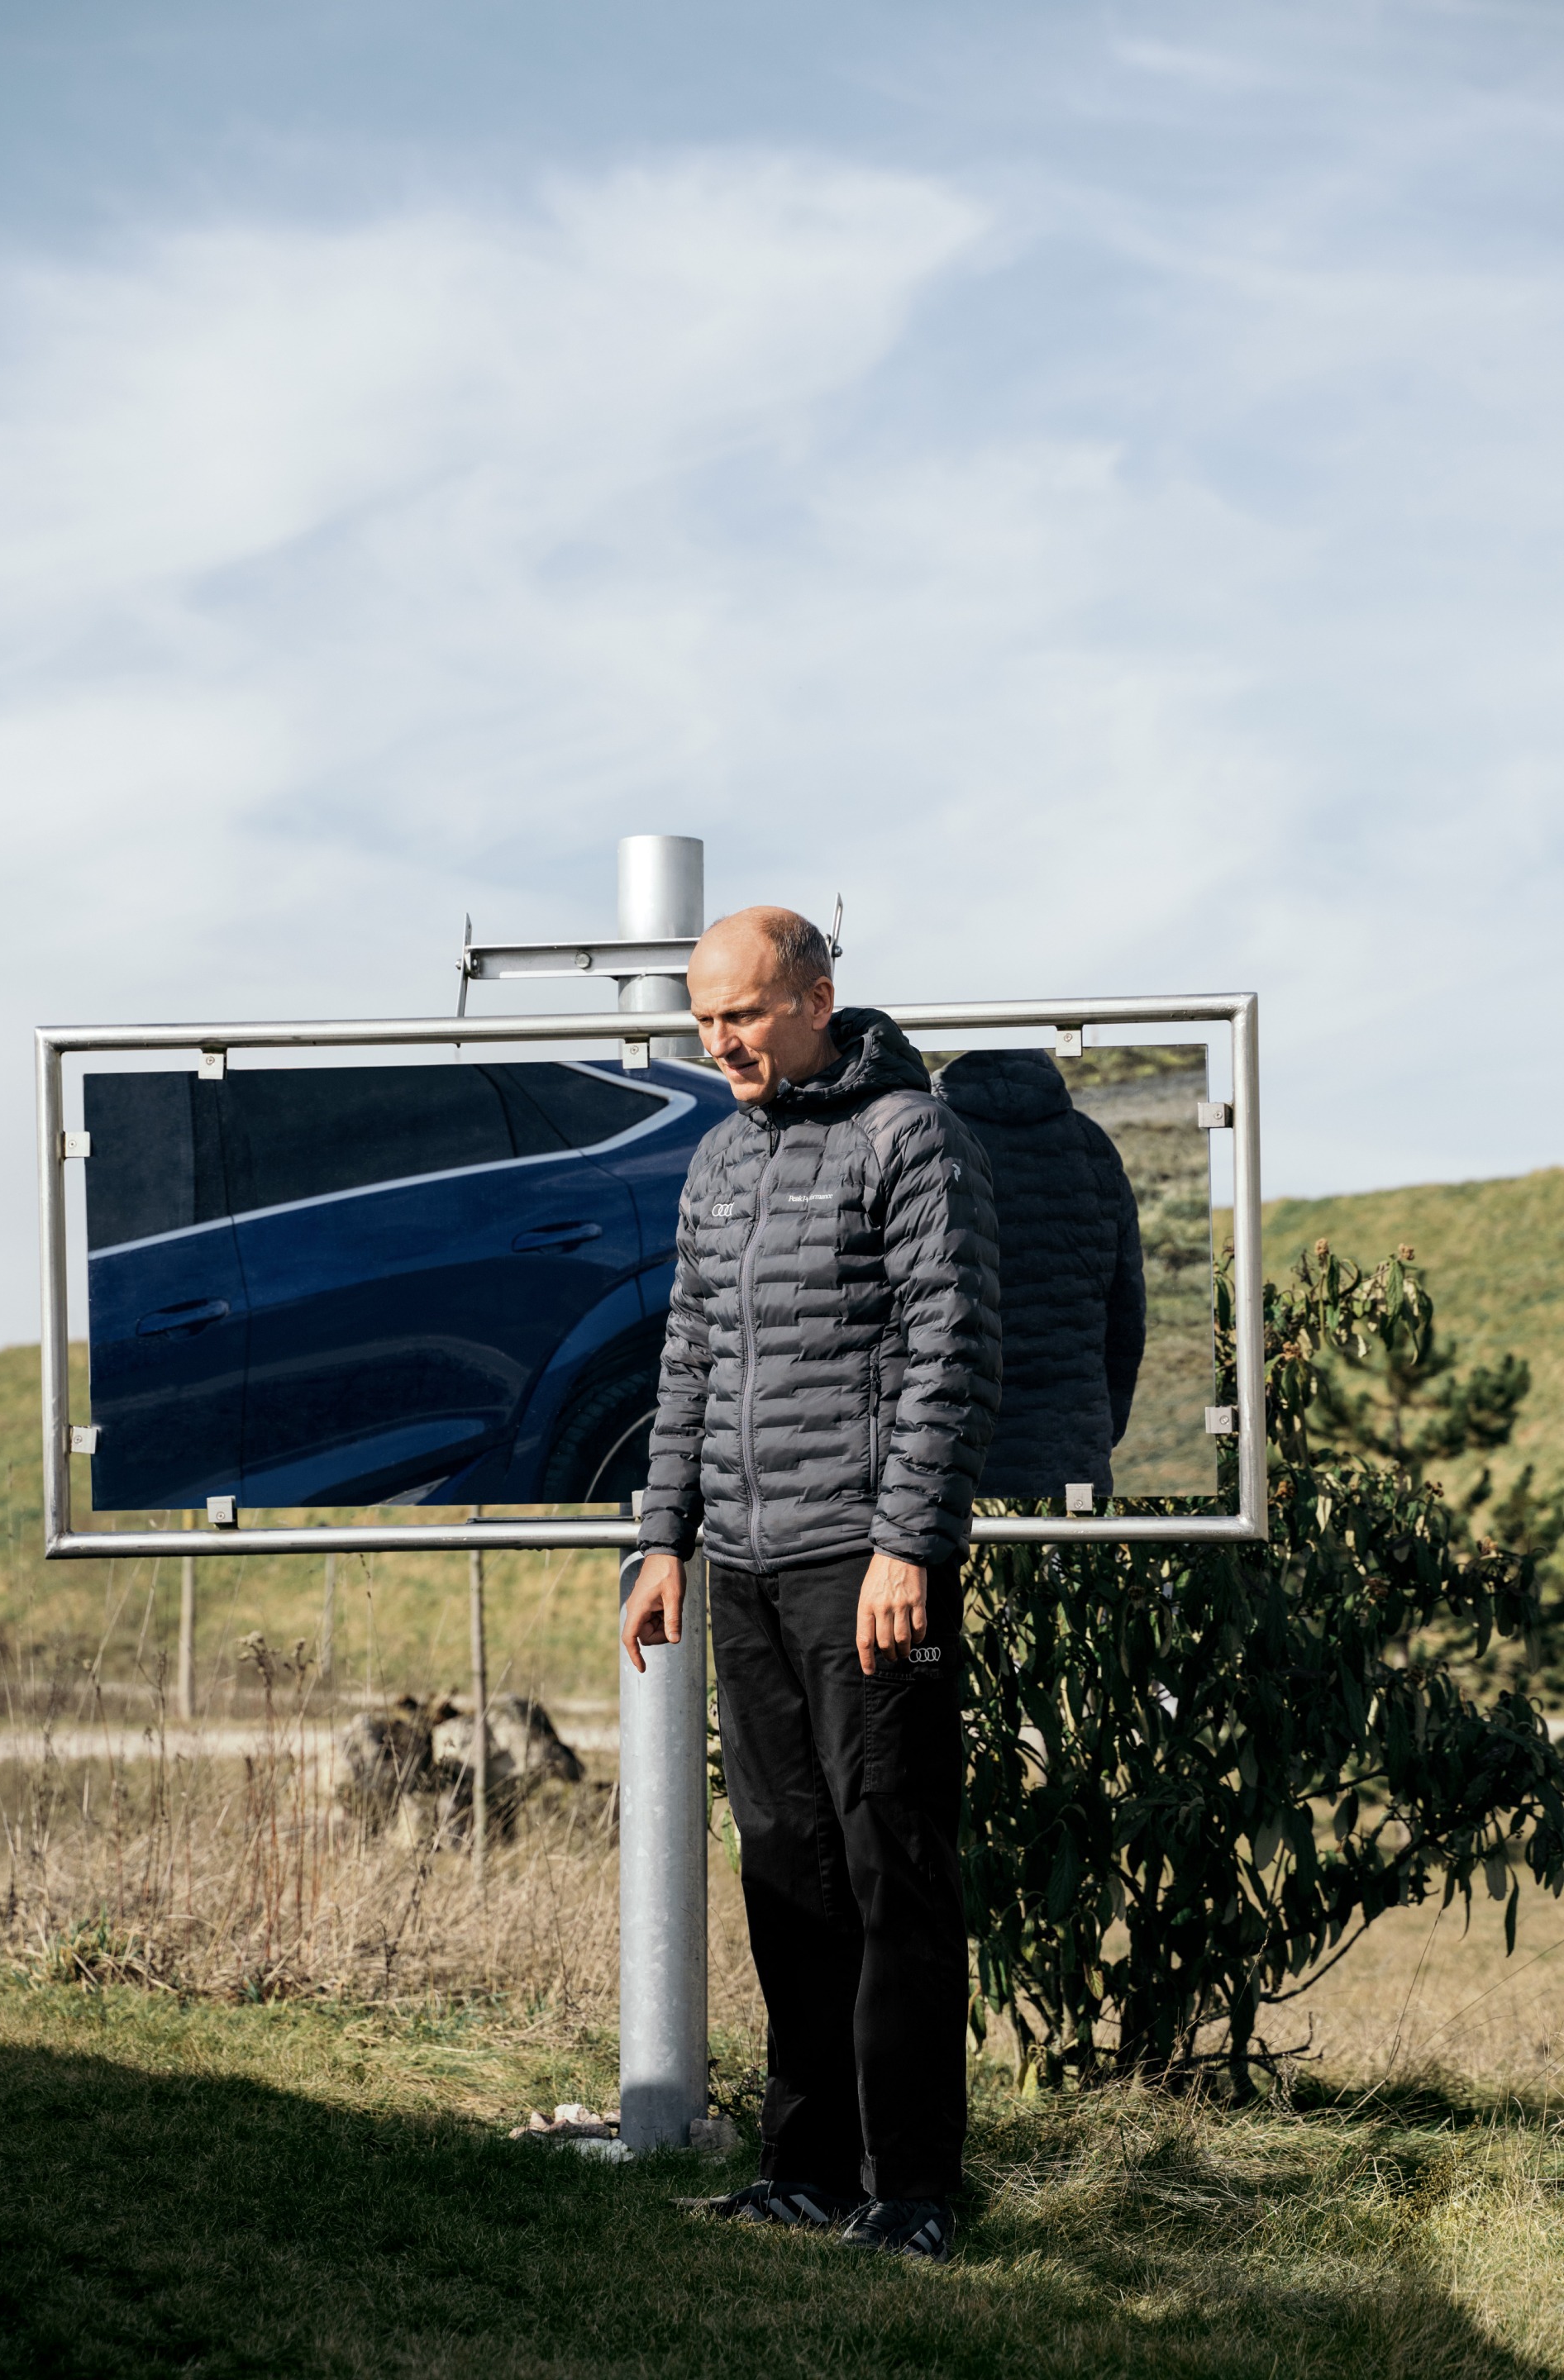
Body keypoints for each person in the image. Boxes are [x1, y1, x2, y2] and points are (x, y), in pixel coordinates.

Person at [621, 906, 1000, 2263]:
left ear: (819, 1000)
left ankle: (913, 2185)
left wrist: (908, 1542)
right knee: (786, 1864)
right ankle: (805, 2168)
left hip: (867, 1566)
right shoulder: (717, 1163)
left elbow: (950, 1345)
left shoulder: (911, 1137)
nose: (719, 1037)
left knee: (890, 1864)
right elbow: (687, 1367)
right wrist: (663, 1538)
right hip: (747, 1565)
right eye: (703, 1017)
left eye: (743, 1012)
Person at [932, 1050, 1145, 1498]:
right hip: (1068, 1441)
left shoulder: (930, 1137)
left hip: (948, 1442)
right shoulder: (1091, 1143)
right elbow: (1126, 1307)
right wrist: (1104, 1424)